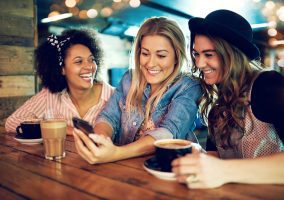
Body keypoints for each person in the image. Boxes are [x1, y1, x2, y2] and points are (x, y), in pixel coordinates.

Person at [172, 9, 284, 189]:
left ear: (232, 54)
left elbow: (223, 168)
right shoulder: (217, 108)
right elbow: (216, 158)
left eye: (209, 54)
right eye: (196, 54)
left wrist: (224, 170)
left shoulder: (267, 84)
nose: (199, 64)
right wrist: (196, 159)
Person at [73, 17, 202, 164]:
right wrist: (100, 142)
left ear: (176, 56)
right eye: (145, 54)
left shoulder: (188, 86)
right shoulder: (129, 78)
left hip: (169, 171)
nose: (151, 63)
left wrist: (116, 153)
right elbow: (109, 117)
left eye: (161, 55)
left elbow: (168, 133)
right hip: (125, 169)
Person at [5, 29, 114, 135]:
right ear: (62, 69)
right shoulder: (50, 96)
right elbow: (12, 122)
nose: (89, 66)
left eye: (91, 59)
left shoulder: (114, 96)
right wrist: (62, 128)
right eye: (79, 61)